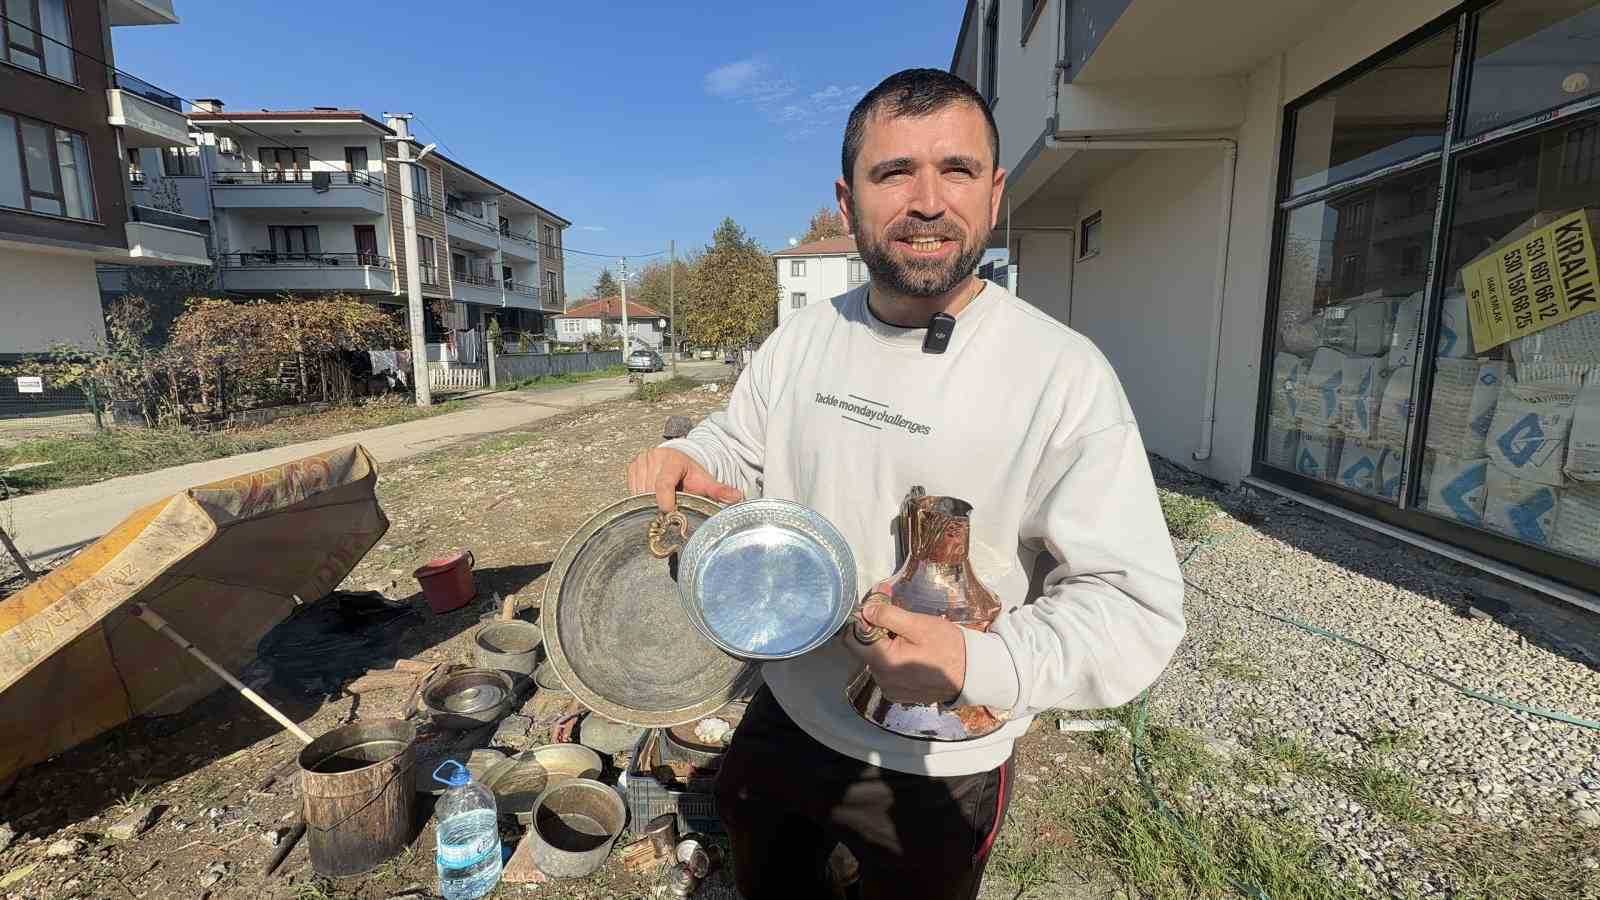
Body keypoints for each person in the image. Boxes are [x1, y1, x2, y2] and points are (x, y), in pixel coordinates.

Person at [626, 68, 1185, 899]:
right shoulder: (802, 341)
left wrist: (978, 661)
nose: (928, 200)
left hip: (941, 754)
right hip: (788, 706)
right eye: (893, 173)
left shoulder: (1062, 376)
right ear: (847, 201)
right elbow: (740, 446)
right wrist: (695, 459)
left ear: (993, 195)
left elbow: (1134, 607)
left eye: (956, 170)